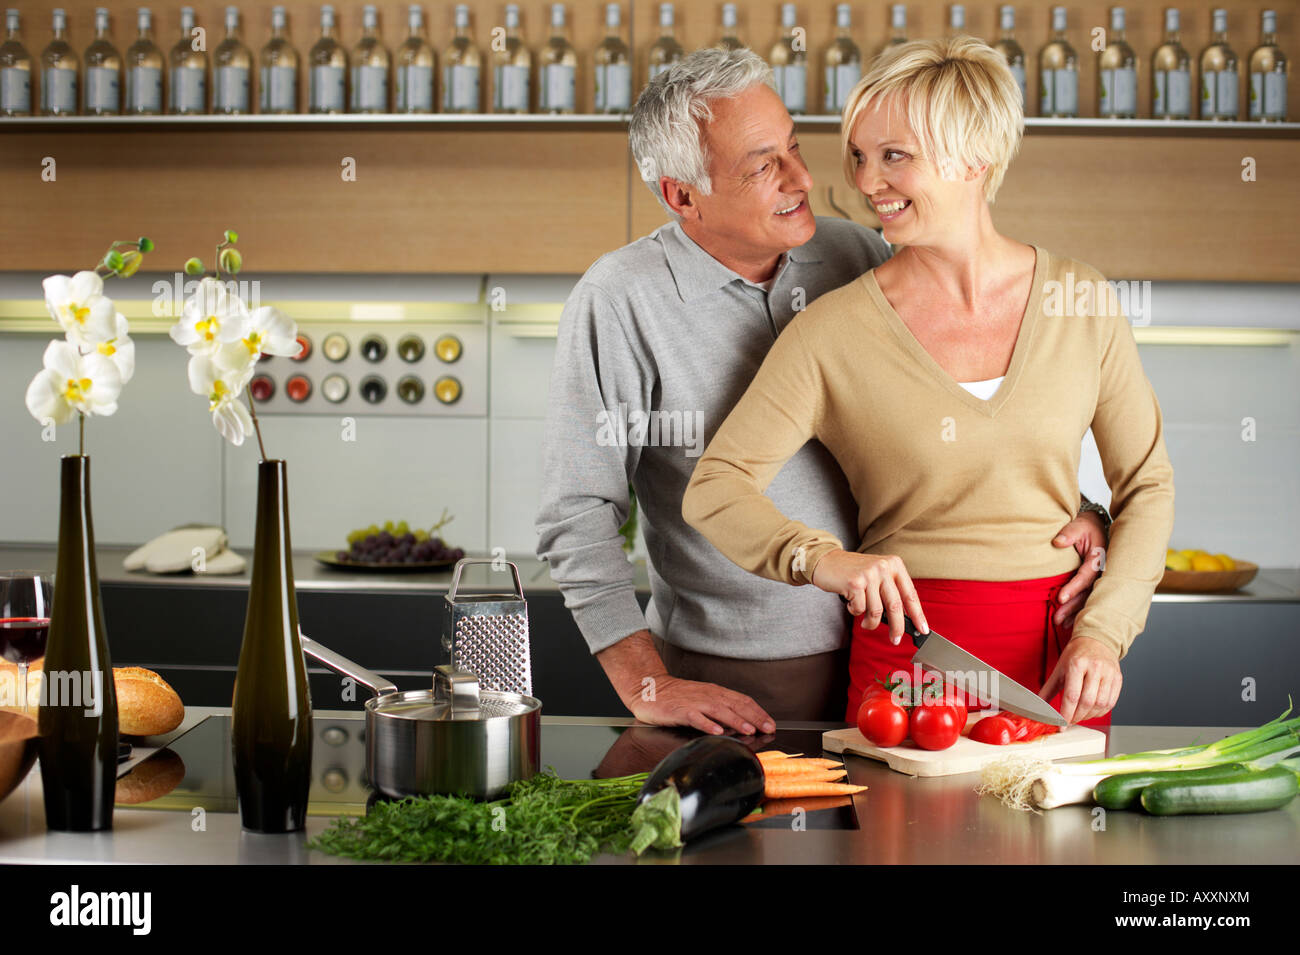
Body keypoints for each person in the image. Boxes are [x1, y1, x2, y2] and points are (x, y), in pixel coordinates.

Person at [536, 47, 1110, 736]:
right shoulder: (621, 299)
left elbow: (946, 416)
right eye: (762, 166)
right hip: (738, 674)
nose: (805, 178)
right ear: (681, 194)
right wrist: (645, 681)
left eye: (795, 147)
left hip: (892, 648)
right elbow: (576, 511)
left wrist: (1074, 511)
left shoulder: (854, 255)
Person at [682, 37, 1175, 728]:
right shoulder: (833, 331)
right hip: (908, 664)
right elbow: (715, 487)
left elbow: (1147, 485)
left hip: (1060, 659)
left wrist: (1106, 629)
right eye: (859, 155)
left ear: (975, 156)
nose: (866, 181)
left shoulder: (1080, 300)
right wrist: (820, 560)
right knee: (907, 838)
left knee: (1061, 839)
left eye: (894, 156)